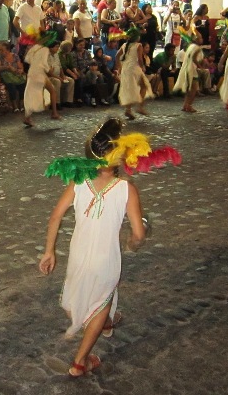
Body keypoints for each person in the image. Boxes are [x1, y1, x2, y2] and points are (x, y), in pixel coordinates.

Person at [40, 119, 179, 377]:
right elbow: (138, 233)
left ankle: (105, 323)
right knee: (101, 302)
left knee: (85, 298)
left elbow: (55, 217)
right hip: (106, 260)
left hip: (79, 257)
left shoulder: (77, 183)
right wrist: (134, 242)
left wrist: (49, 251)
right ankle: (80, 362)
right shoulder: (127, 189)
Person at [22, 38, 61, 127]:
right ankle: (54, 112)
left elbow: (27, 59)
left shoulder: (34, 47)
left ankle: (27, 117)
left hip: (31, 73)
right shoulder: (45, 49)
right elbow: (44, 64)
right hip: (40, 74)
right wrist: (49, 70)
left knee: (31, 94)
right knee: (52, 91)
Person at [118, 30, 154, 119]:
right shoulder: (139, 45)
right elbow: (140, 59)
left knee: (130, 89)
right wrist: (143, 67)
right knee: (144, 85)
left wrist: (119, 67)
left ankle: (128, 110)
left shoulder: (124, 45)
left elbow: (116, 56)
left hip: (126, 68)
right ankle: (140, 107)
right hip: (134, 68)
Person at [0, 40, 26, 113]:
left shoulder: (15, 56)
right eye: (0, 50)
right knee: (11, 86)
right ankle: (14, 105)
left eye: (2, 50)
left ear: (8, 50)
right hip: (6, 76)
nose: (1, 52)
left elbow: (20, 66)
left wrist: (20, 70)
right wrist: (7, 67)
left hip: (15, 75)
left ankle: (21, 103)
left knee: (22, 84)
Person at [173, 42, 203, 113]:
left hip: (187, 68)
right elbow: (194, 58)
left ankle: (185, 105)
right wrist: (200, 67)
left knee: (189, 89)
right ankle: (189, 105)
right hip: (192, 69)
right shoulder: (197, 48)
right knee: (193, 89)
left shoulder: (191, 47)